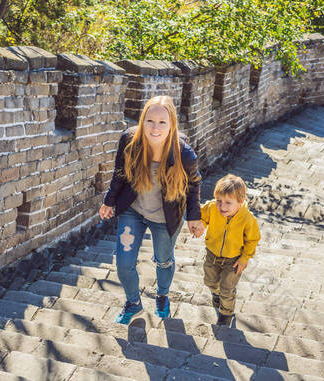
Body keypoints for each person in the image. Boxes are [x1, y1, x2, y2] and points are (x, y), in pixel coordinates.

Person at [99, 95, 205, 324]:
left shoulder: (183, 153)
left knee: (163, 260)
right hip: (133, 210)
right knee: (124, 262)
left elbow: (194, 184)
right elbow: (119, 173)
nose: (155, 128)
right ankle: (133, 302)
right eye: (150, 121)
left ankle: (163, 295)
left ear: (172, 124)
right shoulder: (129, 140)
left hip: (165, 217)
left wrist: (194, 217)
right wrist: (109, 201)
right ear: (142, 120)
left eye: (162, 122)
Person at [200, 174, 261, 326]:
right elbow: (202, 216)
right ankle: (216, 293)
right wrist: (200, 224)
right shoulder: (212, 208)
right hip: (212, 254)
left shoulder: (247, 218)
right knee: (209, 281)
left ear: (240, 202)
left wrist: (245, 258)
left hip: (234, 260)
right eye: (219, 201)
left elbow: (252, 239)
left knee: (227, 290)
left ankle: (226, 314)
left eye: (228, 202)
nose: (222, 206)